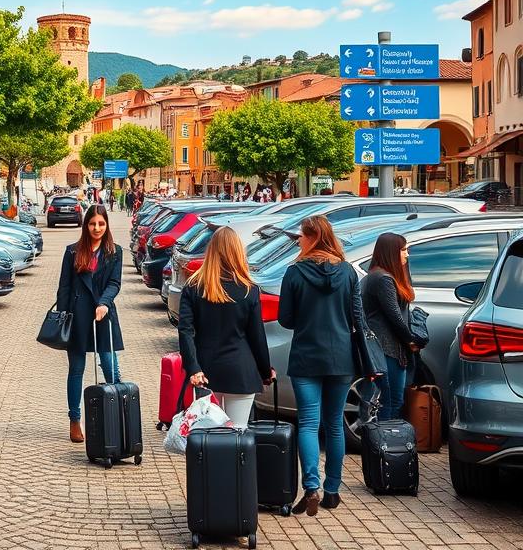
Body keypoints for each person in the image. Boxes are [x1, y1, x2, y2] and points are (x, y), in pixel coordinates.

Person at [278, 215, 377, 516]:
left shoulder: (294, 272)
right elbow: (357, 317)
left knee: (308, 423)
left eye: (301, 236)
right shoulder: (348, 272)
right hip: (341, 357)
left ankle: (311, 487)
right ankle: (332, 489)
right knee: (334, 424)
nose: (298, 240)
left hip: (306, 356)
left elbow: (286, 319)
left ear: (311, 238)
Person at [177, 227, 274, 428]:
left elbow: (185, 330)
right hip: (241, 371)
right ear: (238, 252)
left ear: (210, 251)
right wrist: (266, 371)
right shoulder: (248, 289)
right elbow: (257, 337)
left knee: (208, 437)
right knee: (238, 436)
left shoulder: (194, 287)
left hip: (206, 371)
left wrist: (193, 367)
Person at [55, 204, 124, 443]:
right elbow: (64, 287)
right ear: (86, 225)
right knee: (76, 370)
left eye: (101, 224)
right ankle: (75, 420)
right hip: (78, 316)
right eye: (93, 224)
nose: (97, 228)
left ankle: (116, 413)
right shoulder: (73, 251)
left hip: (104, 314)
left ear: (107, 225)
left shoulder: (115, 252)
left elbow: (115, 283)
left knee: (110, 367)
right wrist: (64, 317)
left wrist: (104, 302)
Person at [361, 232, 418, 420]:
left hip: (390, 346)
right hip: (387, 348)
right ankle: (385, 442)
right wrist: (410, 340)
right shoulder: (383, 279)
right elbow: (394, 316)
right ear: (391, 253)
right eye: (403, 250)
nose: (407, 254)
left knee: (392, 400)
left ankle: (386, 440)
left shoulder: (382, 276)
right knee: (391, 401)